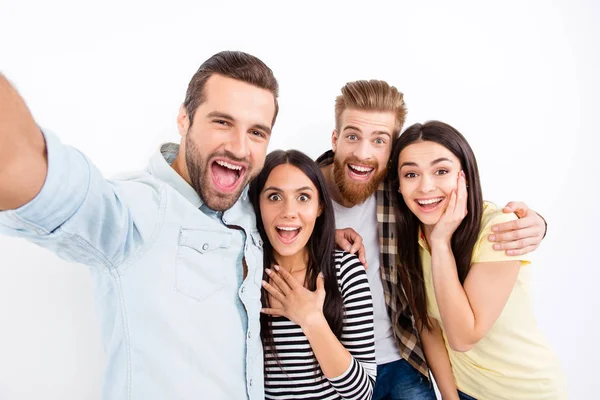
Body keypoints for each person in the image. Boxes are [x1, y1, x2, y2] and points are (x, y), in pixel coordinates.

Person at [0, 51, 363, 400]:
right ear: (183, 119)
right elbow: (47, 180)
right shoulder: (137, 212)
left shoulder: (248, 205)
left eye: (256, 132)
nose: (239, 147)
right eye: (222, 122)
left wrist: (331, 231)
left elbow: (298, 197)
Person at [316, 80, 549, 399]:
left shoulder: (403, 195)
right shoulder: (298, 195)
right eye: (353, 136)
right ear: (335, 138)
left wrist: (538, 223)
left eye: (379, 140)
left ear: (391, 149)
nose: (363, 153)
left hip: (402, 361)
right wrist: (326, 236)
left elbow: (459, 204)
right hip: (330, 367)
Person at [388, 120, 566, 400]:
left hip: (526, 391)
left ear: (465, 176)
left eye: (441, 171)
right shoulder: (410, 239)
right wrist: (450, 397)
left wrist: (441, 242)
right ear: (398, 186)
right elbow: (428, 325)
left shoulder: (498, 229)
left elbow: (462, 337)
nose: (425, 186)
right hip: (464, 390)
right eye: (411, 174)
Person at [249, 150, 376, 399]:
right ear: (257, 204)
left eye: (303, 197)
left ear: (319, 207)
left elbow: (362, 393)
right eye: (274, 196)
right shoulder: (247, 276)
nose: (289, 211)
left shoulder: (345, 273)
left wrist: (311, 320)